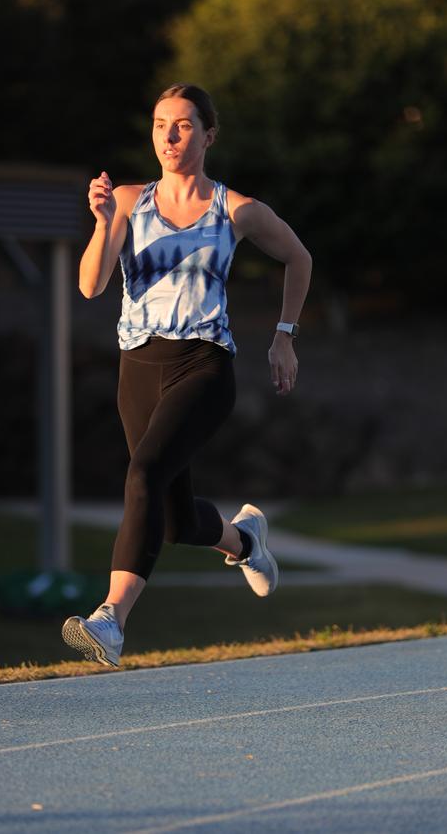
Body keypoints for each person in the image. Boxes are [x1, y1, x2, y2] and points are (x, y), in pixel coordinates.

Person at [62, 83, 312, 667]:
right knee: (172, 519)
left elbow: (300, 257)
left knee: (143, 472)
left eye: (181, 126)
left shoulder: (235, 209)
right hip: (138, 367)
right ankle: (246, 541)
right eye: (159, 125)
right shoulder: (126, 200)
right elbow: (91, 286)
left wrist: (284, 335)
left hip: (203, 363)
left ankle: (111, 620)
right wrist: (101, 223)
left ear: (208, 135)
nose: (168, 138)